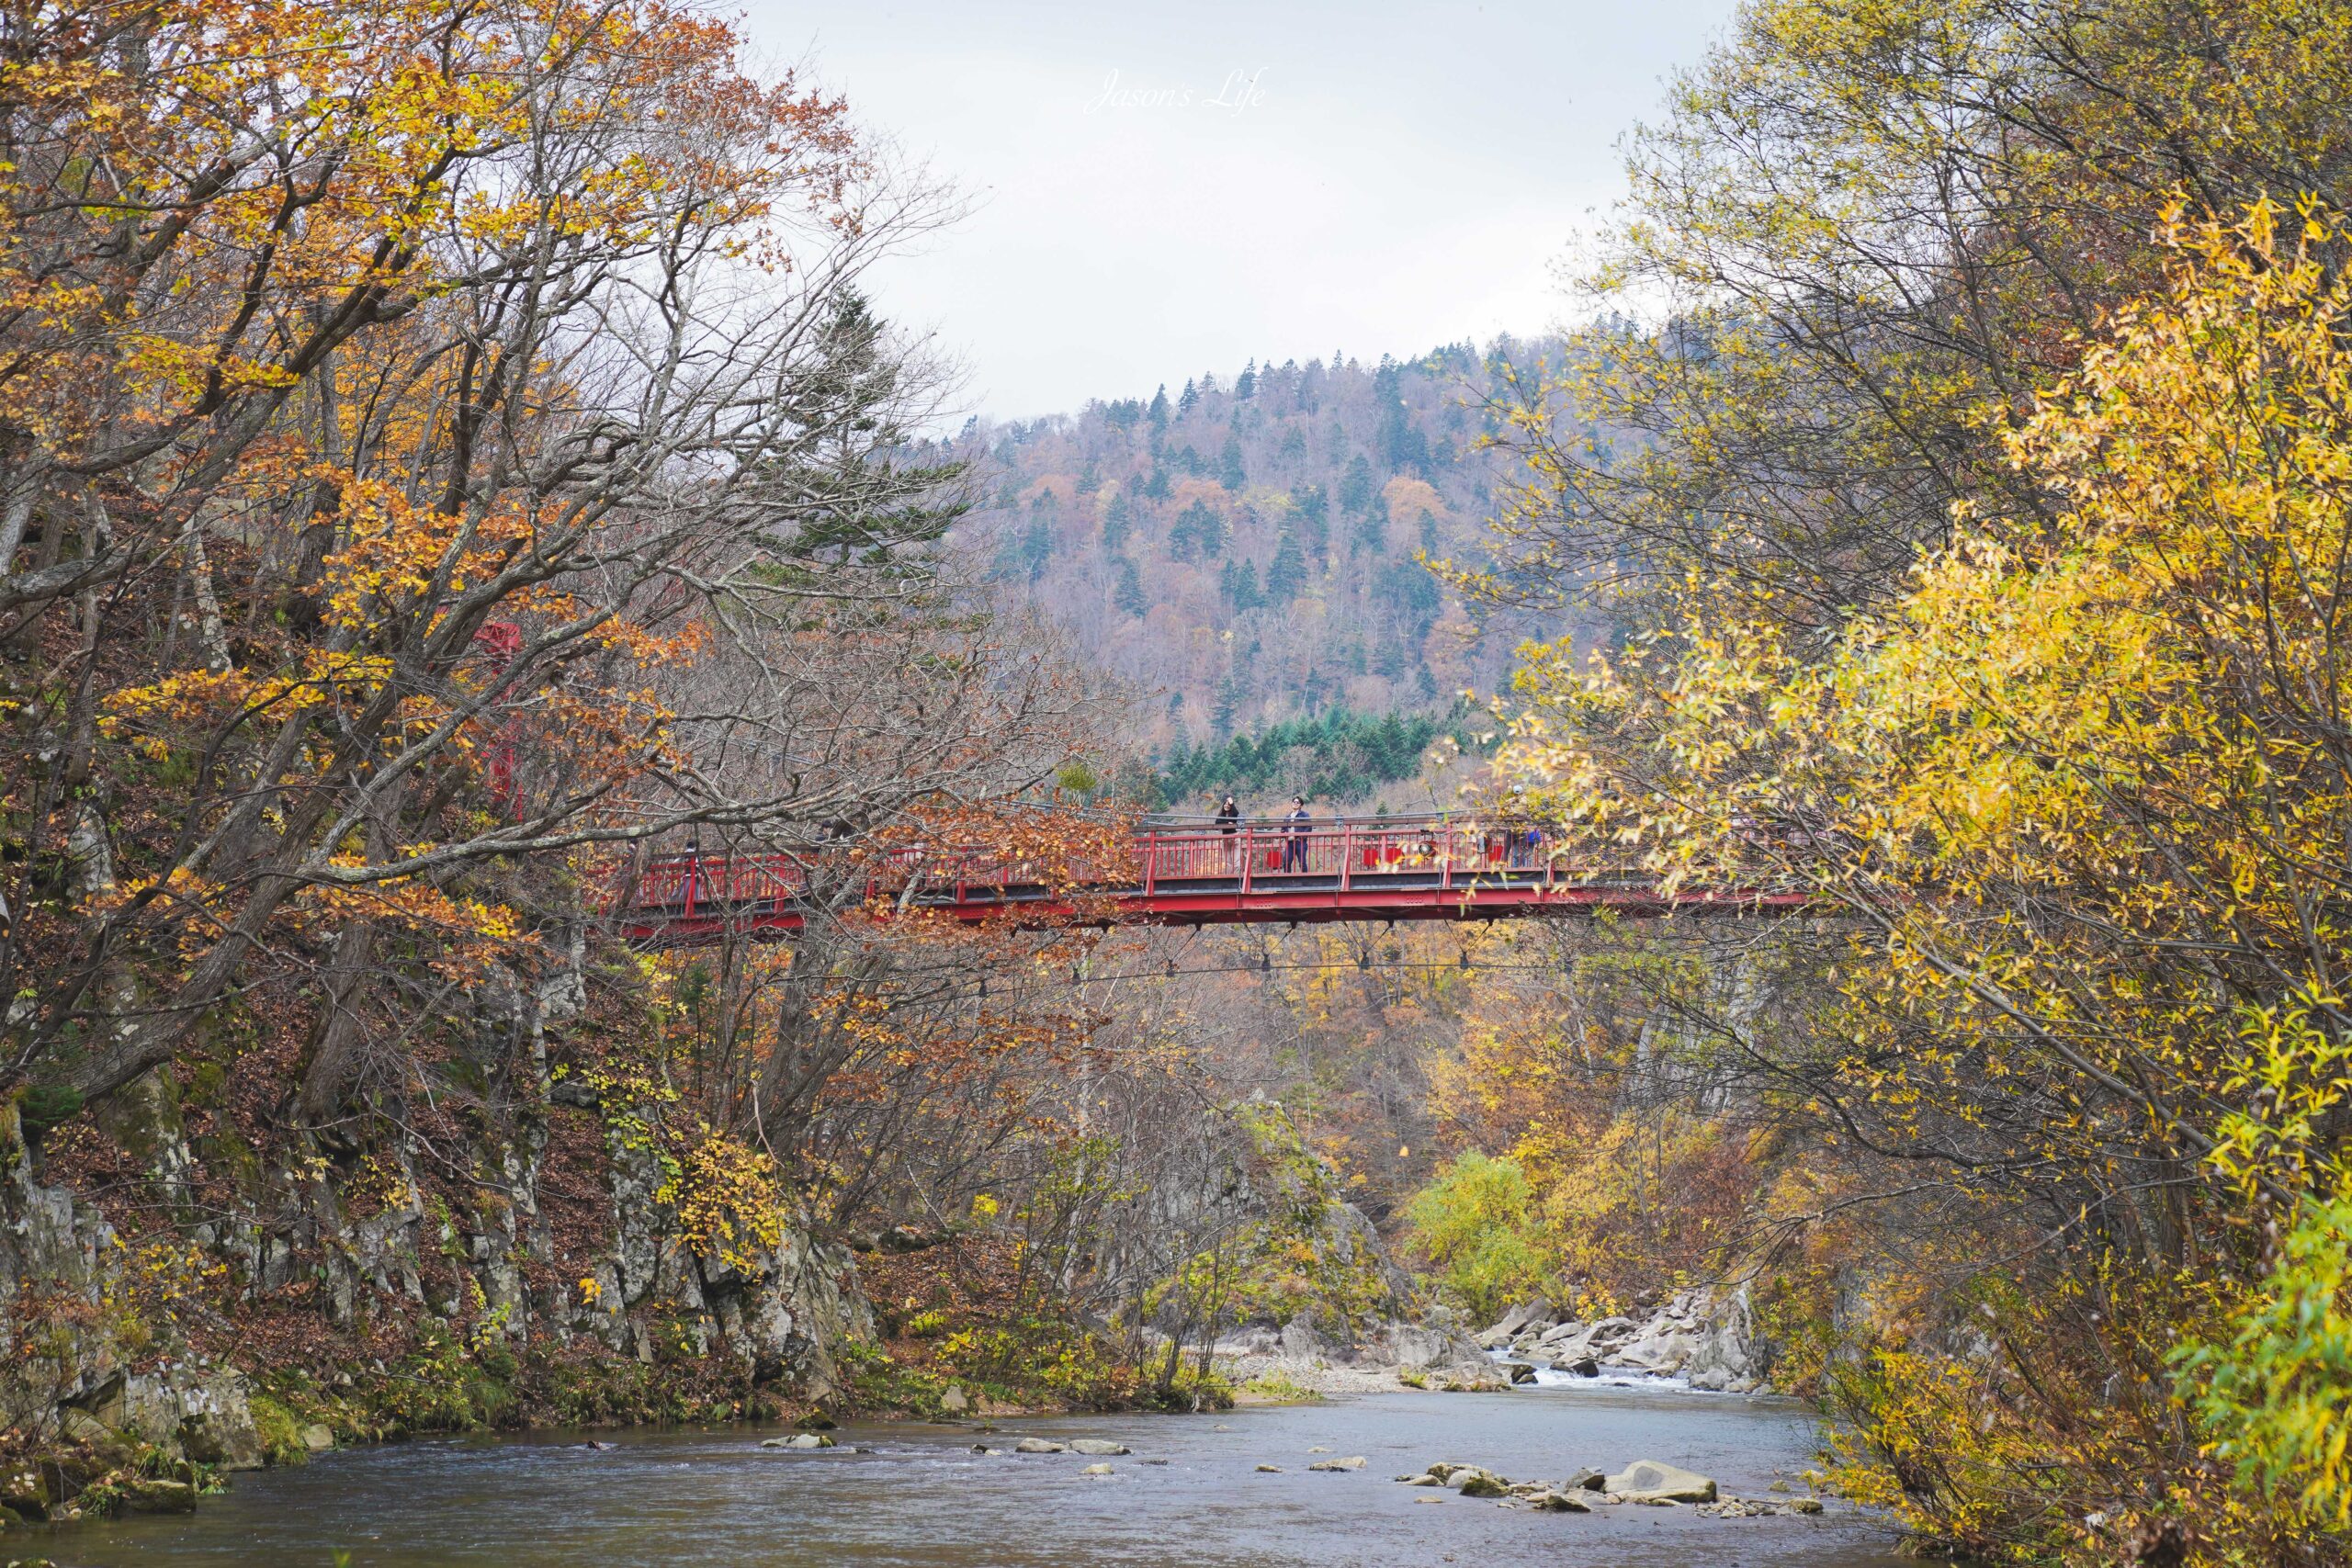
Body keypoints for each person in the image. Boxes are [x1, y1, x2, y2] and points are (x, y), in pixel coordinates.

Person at [1282, 795, 1311, 872]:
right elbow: (1283, 829)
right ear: (1292, 803)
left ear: (1301, 805)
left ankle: (1305, 880)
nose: (1295, 803)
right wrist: (1284, 835)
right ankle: (1287, 879)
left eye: (1298, 802)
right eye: (1294, 802)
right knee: (1286, 862)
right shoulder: (1287, 817)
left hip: (1300, 842)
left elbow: (1308, 827)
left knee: (1302, 863)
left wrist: (1301, 837)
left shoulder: (1304, 815)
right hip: (1289, 842)